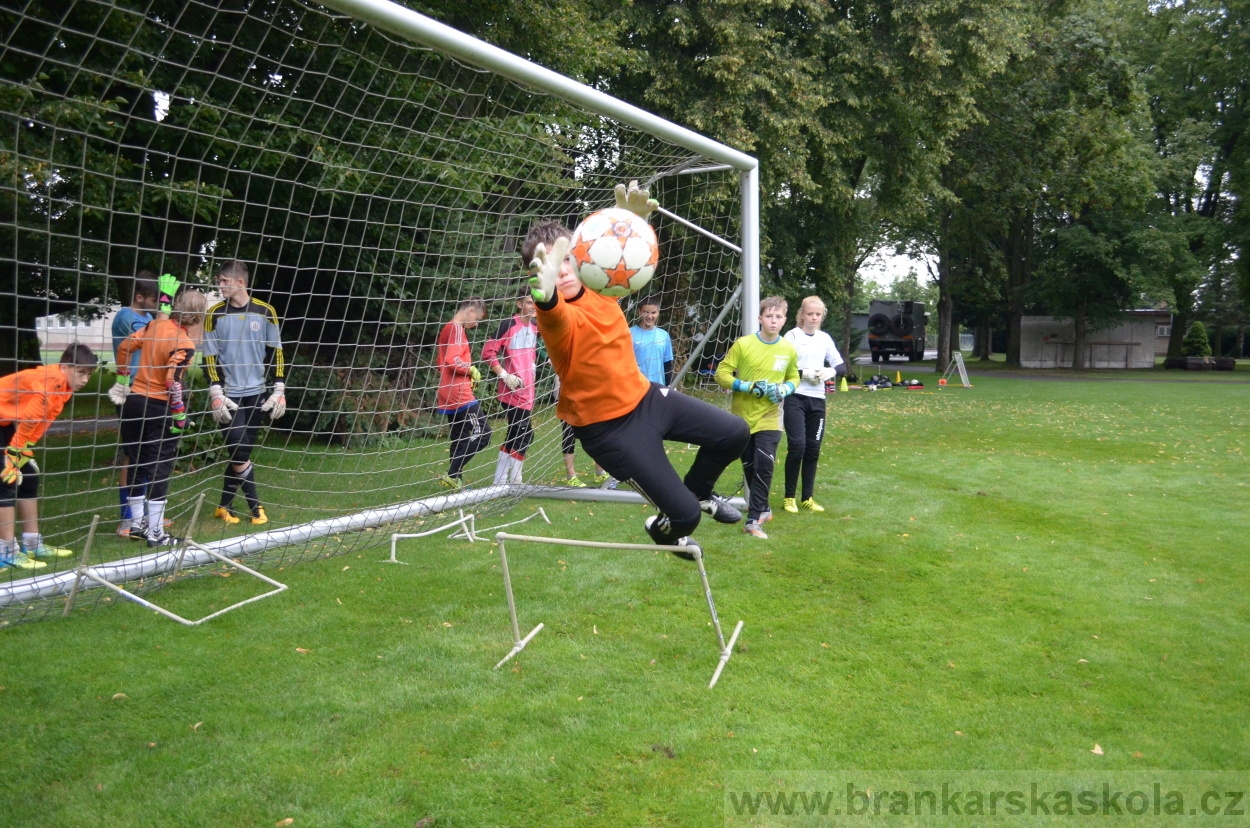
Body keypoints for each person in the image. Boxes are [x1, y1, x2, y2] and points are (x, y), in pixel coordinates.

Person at [525, 181, 748, 560]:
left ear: (578, 256)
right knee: (684, 517)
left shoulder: (602, 286)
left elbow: (618, 255)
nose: (560, 271)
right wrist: (544, 297)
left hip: (646, 399)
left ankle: (699, 489)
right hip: (607, 429)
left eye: (564, 259)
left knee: (734, 434)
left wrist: (630, 223)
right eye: (548, 264)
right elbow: (554, 315)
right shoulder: (555, 315)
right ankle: (665, 529)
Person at [110, 277, 207, 547]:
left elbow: (124, 347)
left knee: (137, 463)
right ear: (198, 317)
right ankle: (156, 532)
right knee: (159, 468)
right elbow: (173, 381)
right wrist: (179, 415)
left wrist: (122, 378)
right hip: (158, 407)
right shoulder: (184, 343)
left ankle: (139, 523)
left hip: (133, 403)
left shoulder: (155, 324)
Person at [203, 259, 286, 526]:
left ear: (240, 282)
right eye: (219, 281)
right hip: (229, 395)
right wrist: (215, 390)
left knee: (242, 451)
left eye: (224, 281)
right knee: (239, 450)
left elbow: (277, 352)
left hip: (258, 394)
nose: (220, 286)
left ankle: (223, 506)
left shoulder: (266, 311)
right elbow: (209, 357)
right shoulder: (214, 314)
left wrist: (279, 388)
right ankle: (255, 506)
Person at [0, 344, 98, 570]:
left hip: (4, 423)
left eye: (89, 374)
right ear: (64, 367)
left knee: (29, 476)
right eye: (80, 372)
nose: (85, 379)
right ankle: (5, 552)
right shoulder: (53, 380)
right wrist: (13, 453)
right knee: (7, 479)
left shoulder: (65, 387)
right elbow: (32, 417)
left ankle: (32, 544)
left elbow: (44, 420)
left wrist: (25, 450)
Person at [715, 295, 800, 539]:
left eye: (779, 317)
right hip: (742, 416)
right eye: (769, 316)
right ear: (760, 318)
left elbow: (794, 377)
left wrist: (784, 389)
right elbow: (721, 375)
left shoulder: (788, 348)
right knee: (751, 466)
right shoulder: (743, 344)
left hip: (771, 416)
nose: (774, 321)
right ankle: (763, 508)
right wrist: (747, 386)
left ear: (785, 320)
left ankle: (753, 521)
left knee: (765, 464)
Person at [782, 296, 843, 513]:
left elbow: (841, 365)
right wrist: (802, 373)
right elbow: (780, 365)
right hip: (795, 396)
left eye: (818, 314)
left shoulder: (824, 338)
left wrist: (831, 371)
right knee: (797, 446)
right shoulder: (792, 336)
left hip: (817, 400)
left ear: (822, 316)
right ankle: (789, 497)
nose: (814, 318)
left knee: (813, 449)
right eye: (810, 314)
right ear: (802, 314)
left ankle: (807, 497)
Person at [111, 272, 159, 538]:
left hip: (149, 391)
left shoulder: (151, 318)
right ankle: (126, 519)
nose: (156, 304)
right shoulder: (126, 317)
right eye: (154, 299)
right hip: (129, 392)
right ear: (139, 297)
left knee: (149, 453)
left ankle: (146, 516)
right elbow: (153, 338)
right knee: (132, 454)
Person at [482, 294, 538, 485]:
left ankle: (500, 479)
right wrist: (504, 375)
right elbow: (488, 352)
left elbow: (532, 354)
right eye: (529, 302)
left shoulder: (536, 326)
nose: (533, 306)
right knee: (525, 433)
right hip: (512, 392)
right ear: (519, 303)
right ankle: (515, 479)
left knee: (515, 433)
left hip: (528, 390)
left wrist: (534, 364)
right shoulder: (508, 325)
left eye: (535, 303)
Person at [436, 297, 491, 489]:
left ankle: (455, 480)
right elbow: (452, 359)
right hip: (459, 393)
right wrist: (470, 369)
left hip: (447, 390)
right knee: (483, 433)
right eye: (477, 319)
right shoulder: (457, 329)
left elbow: (440, 362)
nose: (476, 324)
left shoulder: (447, 328)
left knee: (460, 436)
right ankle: (452, 473)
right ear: (469, 311)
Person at [630, 296, 673, 386]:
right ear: (639, 312)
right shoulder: (629, 333)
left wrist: (669, 385)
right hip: (636, 387)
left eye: (653, 312)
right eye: (646, 312)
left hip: (658, 387)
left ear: (658, 313)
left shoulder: (664, 335)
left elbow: (667, 365)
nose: (650, 316)